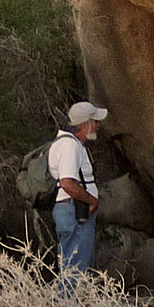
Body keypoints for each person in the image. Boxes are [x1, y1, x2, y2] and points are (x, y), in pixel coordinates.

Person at [49, 101, 107, 290]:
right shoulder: (70, 147)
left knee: (72, 268)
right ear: (84, 125)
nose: (97, 125)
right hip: (74, 213)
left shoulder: (66, 143)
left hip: (70, 211)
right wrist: (91, 201)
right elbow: (67, 182)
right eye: (94, 121)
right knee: (75, 273)